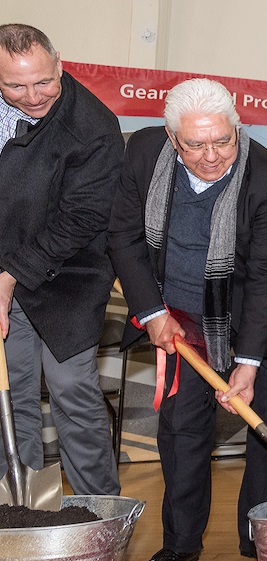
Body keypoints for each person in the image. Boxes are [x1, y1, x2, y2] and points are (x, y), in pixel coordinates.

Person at [109, 78, 267, 561]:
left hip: (258, 314)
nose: (212, 155)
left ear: (236, 128)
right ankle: (180, 542)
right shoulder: (144, 154)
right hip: (180, 315)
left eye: (223, 140)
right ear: (174, 138)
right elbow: (125, 237)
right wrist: (152, 312)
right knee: (181, 429)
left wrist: (248, 364)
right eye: (196, 144)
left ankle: (259, 534)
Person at [0, 24, 121, 497]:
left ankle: (100, 512)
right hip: (4, 269)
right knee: (11, 394)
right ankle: (19, 506)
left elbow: (82, 217)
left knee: (73, 391)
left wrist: (11, 277)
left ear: (60, 65)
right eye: (15, 86)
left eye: (43, 82)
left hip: (69, 274)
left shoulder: (93, 126)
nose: (32, 97)